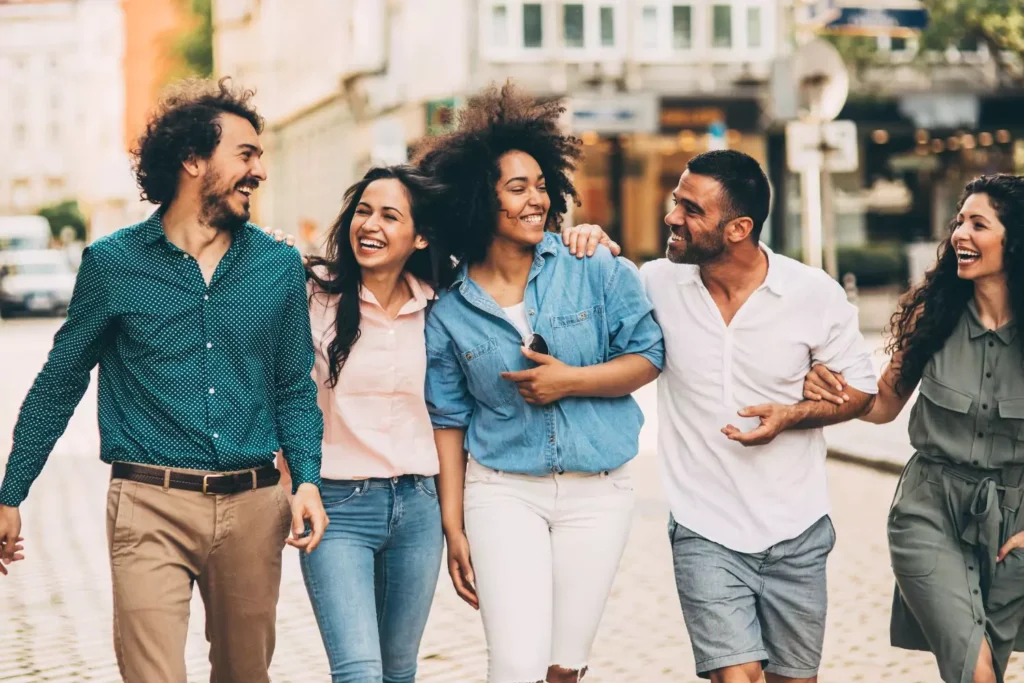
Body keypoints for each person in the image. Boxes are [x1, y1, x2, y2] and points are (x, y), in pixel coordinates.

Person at [0, 78, 329, 683]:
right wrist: (10, 491)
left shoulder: (276, 265)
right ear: (194, 160)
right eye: (247, 154)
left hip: (254, 505)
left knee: (244, 673)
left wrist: (306, 479)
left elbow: (292, 386)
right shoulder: (113, 263)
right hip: (149, 503)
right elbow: (60, 379)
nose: (260, 170)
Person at [289, 163, 620, 683]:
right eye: (363, 212)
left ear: (420, 235)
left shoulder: (441, 302)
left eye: (389, 216)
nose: (370, 225)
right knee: (358, 672)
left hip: (417, 508)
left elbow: (452, 415)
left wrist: (585, 232)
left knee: (399, 672)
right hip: (338, 507)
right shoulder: (310, 295)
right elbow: (285, 391)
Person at [416, 83, 664, 683]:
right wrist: (454, 527)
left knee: (564, 665)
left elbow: (649, 355)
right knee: (515, 664)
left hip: (598, 493)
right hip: (503, 492)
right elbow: (449, 420)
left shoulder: (593, 266)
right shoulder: (447, 310)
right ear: (481, 199)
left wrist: (569, 381)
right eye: (517, 187)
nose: (537, 199)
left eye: (541, 185)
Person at [638, 150, 877, 683]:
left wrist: (792, 414)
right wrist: (588, 239)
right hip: (704, 527)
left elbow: (862, 391)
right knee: (735, 676)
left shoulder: (812, 293)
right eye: (676, 201)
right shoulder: (653, 284)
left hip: (797, 528)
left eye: (690, 209)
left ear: (739, 228)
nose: (672, 216)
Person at [803, 174, 1024, 683]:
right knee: (974, 668)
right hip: (928, 511)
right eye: (959, 222)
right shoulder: (936, 313)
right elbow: (882, 404)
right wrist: (836, 391)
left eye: (979, 224)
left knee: (984, 663)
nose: (960, 236)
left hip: (1013, 524)